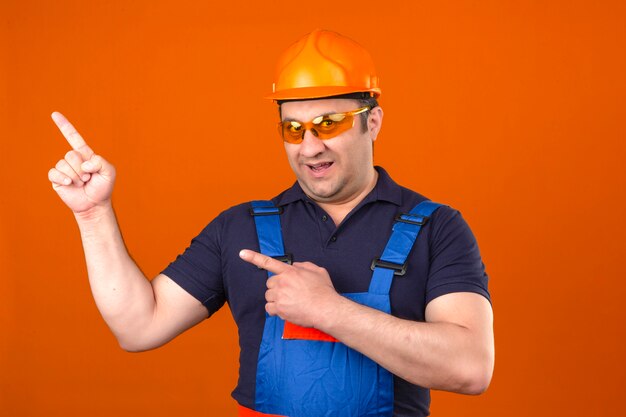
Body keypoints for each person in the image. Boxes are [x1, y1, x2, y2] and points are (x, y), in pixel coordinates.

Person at [48, 29, 494, 417]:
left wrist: (329, 310)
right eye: (293, 129)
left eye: (329, 123)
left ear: (372, 122)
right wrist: (92, 214)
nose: (310, 146)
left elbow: (471, 368)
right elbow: (138, 327)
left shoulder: (437, 228)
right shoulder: (239, 227)